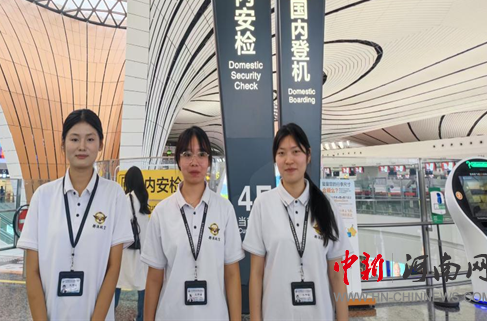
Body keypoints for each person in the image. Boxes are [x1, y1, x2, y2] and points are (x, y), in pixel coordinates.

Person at [18, 109, 134, 321]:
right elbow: (32, 271)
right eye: (74, 139)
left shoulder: (114, 195)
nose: (82, 146)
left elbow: (113, 267)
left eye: (90, 139)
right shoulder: (43, 196)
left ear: (100, 144)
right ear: (63, 145)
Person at [243, 123, 351, 321]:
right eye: (281, 153)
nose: (289, 160)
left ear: (308, 156)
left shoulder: (327, 206)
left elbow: (337, 275)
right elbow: (256, 275)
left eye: (296, 152)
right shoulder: (263, 205)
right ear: (275, 159)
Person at [141, 126, 244, 321]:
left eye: (201, 154)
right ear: (178, 161)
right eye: (187, 154)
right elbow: (154, 278)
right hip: (171, 315)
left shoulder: (224, 209)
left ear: (209, 161)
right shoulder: (162, 212)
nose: (194, 162)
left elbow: (232, 275)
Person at [115, 166, 150, 321]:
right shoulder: (144, 198)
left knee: (116, 281)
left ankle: (109, 313)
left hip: (127, 249)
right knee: (143, 284)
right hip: (142, 249)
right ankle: (141, 317)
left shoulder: (126, 199)